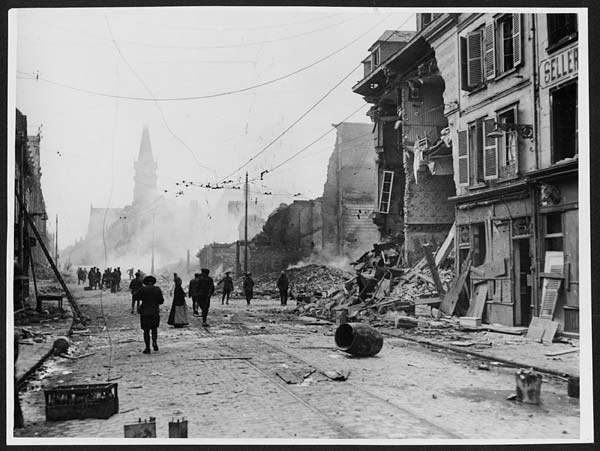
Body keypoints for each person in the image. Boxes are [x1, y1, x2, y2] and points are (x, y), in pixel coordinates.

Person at [133, 275, 164, 354]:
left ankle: (147, 347)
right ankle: (154, 342)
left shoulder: (142, 289)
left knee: (146, 331)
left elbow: (135, 297)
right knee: (154, 329)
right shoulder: (157, 289)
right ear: (153, 282)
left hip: (145, 313)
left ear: (145, 283)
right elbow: (161, 301)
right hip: (154, 312)